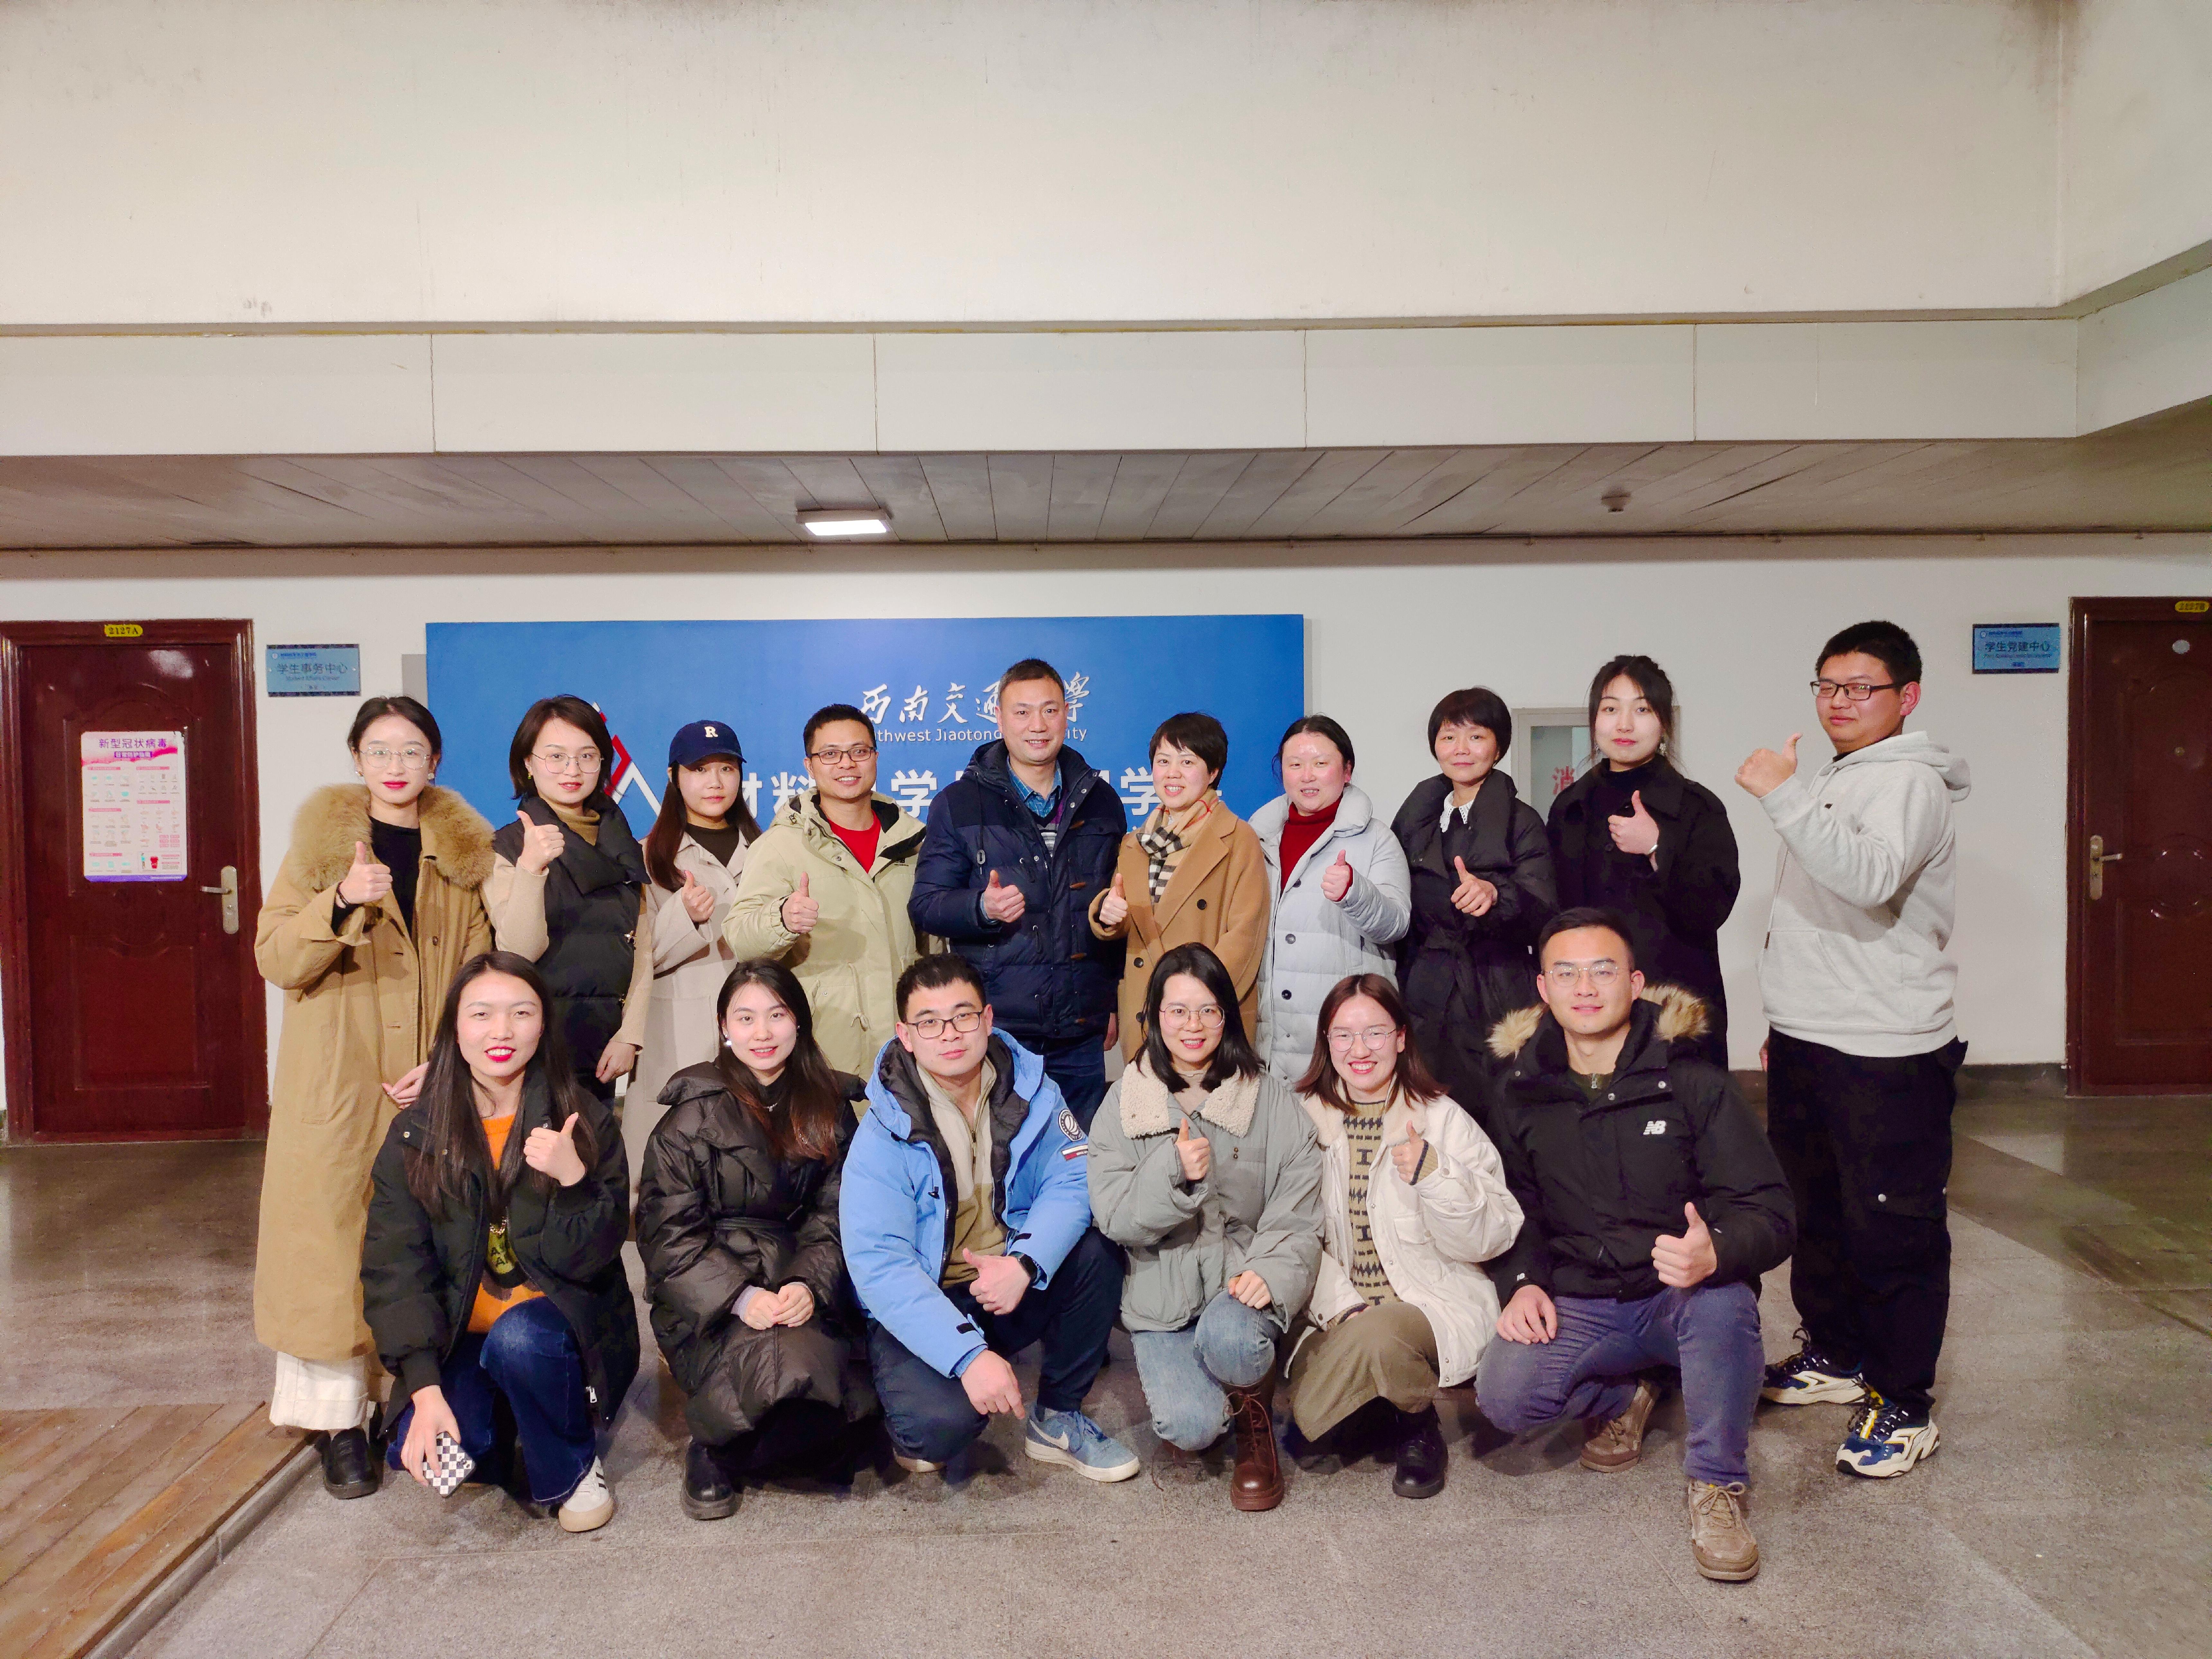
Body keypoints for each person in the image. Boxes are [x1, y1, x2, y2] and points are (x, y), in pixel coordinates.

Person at [1475, 908, 1794, 1582]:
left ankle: (1716, 1484)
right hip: (1584, 1300)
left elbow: (1770, 1210)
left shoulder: (1693, 1082)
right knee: (1504, 1397)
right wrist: (1522, 1282)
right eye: (1567, 974)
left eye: (1603, 970)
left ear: (1636, 982)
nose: (1585, 988)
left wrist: (1716, 1251)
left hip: (1679, 1296)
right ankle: (1625, 1397)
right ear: (1543, 989)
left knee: (1725, 1304)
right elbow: (1516, 1209)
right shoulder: (1519, 1092)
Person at [1737, 620, 1970, 1480]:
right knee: (1820, 1212)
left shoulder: (1909, 781)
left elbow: (1868, 880)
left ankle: (1902, 1402)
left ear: (1906, 697)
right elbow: (1818, 915)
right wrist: (1785, 1021)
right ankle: (1835, 1354)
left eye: (1860, 687)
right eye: (1828, 686)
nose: (1840, 702)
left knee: (1891, 1226)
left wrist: (1782, 795)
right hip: (1813, 1037)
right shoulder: (1844, 774)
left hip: (1885, 1047)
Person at [254, 694, 493, 1499]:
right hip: (339, 1079)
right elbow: (276, 956)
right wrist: (340, 901)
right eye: (380, 750)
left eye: (412, 750)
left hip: (427, 1080)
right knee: (328, 1242)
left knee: (419, 1238)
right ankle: (336, 1423)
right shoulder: (321, 848)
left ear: (435, 761)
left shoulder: (462, 856)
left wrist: (444, 1059)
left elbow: (477, 972)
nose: (396, 766)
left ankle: (410, 1398)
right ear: (357, 759)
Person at [361, 953, 639, 1533]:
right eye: (482, 1014)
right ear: (455, 1028)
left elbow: (594, 1260)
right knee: (441, 1460)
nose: (502, 1032)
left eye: (521, 1013)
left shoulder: (582, 1118)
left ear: (544, 1025)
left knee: (519, 1342)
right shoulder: (417, 1132)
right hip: (461, 1333)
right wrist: (424, 1390)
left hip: (551, 1330)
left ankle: (572, 1465)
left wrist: (574, 1182)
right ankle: (512, 1418)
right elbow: (396, 1268)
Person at [840, 952, 1138, 1481]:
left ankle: (1058, 1416)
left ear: (988, 1019)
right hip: (929, 1296)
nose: (950, 1034)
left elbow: (1074, 1178)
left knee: (1098, 1250)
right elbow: (880, 1265)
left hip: (1005, 1283)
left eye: (963, 1016)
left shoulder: (1034, 1089)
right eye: (929, 1023)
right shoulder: (883, 1129)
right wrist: (967, 1357)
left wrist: (1025, 1262)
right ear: (905, 1036)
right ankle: (910, 1382)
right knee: (936, 1433)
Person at [1088, 943, 1323, 1512]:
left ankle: (1254, 1422)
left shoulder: (1268, 1098)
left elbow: (1298, 1207)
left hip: (1238, 1283)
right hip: (1162, 1296)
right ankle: (1219, 1398)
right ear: (1154, 1017)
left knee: (1232, 1339)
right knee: (1190, 1428)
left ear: (1227, 1016)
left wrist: (1270, 1272)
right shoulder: (1125, 1101)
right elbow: (1112, 1214)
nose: (1193, 1026)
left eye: (1208, 1011)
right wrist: (1171, 1172)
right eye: (1177, 1011)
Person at [636, 960, 872, 1520]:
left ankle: (728, 1444)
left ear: (799, 1022)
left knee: (833, 1416)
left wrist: (809, 1284)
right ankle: (714, 1448)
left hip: (804, 1277)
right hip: (708, 1298)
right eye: (745, 1018)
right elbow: (668, 1236)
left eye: (776, 1015)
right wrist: (740, 1297)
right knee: (785, 1384)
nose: (762, 1033)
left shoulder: (830, 1106)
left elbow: (841, 1211)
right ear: (724, 1027)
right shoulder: (687, 1118)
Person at [1283, 974, 1521, 1500]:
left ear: (1400, 1038)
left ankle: (1416, 1422)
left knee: (1369, 1348)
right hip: (1333, 1312)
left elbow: (1493, 1236)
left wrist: (1437, 1175)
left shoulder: (1442, 1119)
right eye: (1343, 1035)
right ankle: (1383, 1400)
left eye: (1375, 1033)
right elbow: (1291, 1234)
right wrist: (1344, 1308)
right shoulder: (1300, 1121)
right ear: (1326, 1042)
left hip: (1424, 1304)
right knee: (1316, 1422)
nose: (1359, 1050)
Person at [909, 659, 1128, 1128]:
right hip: (999, 1031)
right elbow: (925, 905)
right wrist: (980, 908)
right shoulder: (959, 803)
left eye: (1049, 710)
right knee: (1000, 1159)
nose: (1037, 725)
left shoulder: (1102, 801)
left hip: (1081, 1032)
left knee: (1080, 1156)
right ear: (1000, 718)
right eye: (1023, 712)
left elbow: (1113, 911)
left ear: (1067, 714)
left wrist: (1112, 1001)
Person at [1547, 657, 1738, 1068]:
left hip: (1675, 1013)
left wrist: (1656, 848)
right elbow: (1554, 916)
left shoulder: (1696, 806)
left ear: (1664, 723)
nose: (1624, 724)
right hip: (1588, 1009)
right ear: (1594, 722)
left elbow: (1711, 909)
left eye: (1642, 709)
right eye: (1610, 709)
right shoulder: (1570, 807)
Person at [725, 703, 926, 1076]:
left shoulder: (914, 842)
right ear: (810, 765)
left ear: (875, 757)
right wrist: (781, 920)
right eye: (830, 754)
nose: (847, 764)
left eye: (859, 751)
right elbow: (741, 940)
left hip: (913, 1047)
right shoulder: (780, 846)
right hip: (825, 1051)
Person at [1391, 688, 1555, 1126]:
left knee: (1500, 1117)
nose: (1461, 749)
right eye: (1449, 737)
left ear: (1498, 747)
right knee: (1428, 1116)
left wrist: (1497, 896)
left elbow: (1545, 911)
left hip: (1498, 990)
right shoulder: (1416, 818)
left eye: (1476, 737)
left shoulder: (1523, 822)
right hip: (1426, 990)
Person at [487, 696, 653, 1103]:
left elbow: (643, 948)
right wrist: (531, 868)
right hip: (533, 1048)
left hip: (604, 1048)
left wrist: (630, 1035)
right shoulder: (505, 846)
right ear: (528, 763)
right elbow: (519, 951)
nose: (573, 770)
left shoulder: (622, 842)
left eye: (587, 756)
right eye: (556, 756)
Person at [1089, 712, 1268, 1059]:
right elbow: (1130, 920)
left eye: (1187, 762)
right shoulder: (1135, 843)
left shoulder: (1237, 838)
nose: (1172, 773)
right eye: (1163, 761)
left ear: (1213, 772)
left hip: (1206, 1019)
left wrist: (1194, 1006)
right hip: (1146, 1012)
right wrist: (1107, 915)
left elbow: (1245, 934)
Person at [628, 719, 760, 1178]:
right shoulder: (647, 857)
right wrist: (684, 917)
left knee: (753, 1172)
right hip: (678, 1036)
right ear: (673, 777)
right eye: (700, 770)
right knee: (673, 1171)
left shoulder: (769, 851)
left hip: (757, 1033)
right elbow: (636, 960)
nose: (715, 782)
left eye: (727, 769)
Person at [1248, 715, 1411, 1080]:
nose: (1307, 776)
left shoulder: (1377, 839)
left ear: (1347, 770)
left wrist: (1356, 892)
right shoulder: (1256, 839)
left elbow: (1397, 924)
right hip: (1268, 1041)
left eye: (1321, 764)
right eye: (1295, 765)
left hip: (1346, 1044)